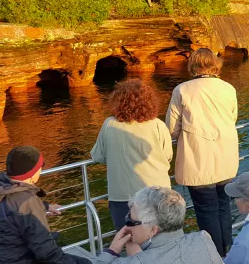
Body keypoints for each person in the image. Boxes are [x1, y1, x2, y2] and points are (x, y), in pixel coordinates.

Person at [166, 48, 239, 257]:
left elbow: (172, 128)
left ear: (194, 65)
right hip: (225, 156)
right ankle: (227, 249)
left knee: (205, 209)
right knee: (224, 205)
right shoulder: (228, 88)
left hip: (198, 158)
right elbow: (232, 117)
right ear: (214, 64)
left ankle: (213, 255)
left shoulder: (182, 90)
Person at [91, 79, 173, 232]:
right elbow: (167, 155)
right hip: (157, 192)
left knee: (128, 238)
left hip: (122, 194)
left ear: (117, 101)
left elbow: (98, 156)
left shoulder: (110, 124)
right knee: (160, 236)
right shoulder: (157, 125)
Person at [0, 146, 92, 264]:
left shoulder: (2, 191)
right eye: (41, 166)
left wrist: (44, 207)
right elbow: (45, 250)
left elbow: (15, 211)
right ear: (32, 172)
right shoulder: (28, 201)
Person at [100, 186, 223, 264]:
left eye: (130, 221)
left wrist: (112, 251)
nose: (126, 226)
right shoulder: (203, 239)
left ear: (153, 230)